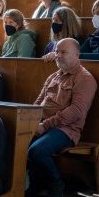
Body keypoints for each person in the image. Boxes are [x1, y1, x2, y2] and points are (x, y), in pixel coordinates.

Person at [27, 38, 97, 197]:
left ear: (76, 55)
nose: (57, 55)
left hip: (65, 130)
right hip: (42, 125)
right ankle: (34, 185)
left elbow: (76, 111)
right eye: (57, 51)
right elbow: (37, 103)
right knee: (14, 143)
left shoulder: (84, 78)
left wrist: (45, 125)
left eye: (63, 52)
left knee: (37, 151)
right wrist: (28, 122)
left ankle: (57, 183)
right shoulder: (53, 77)